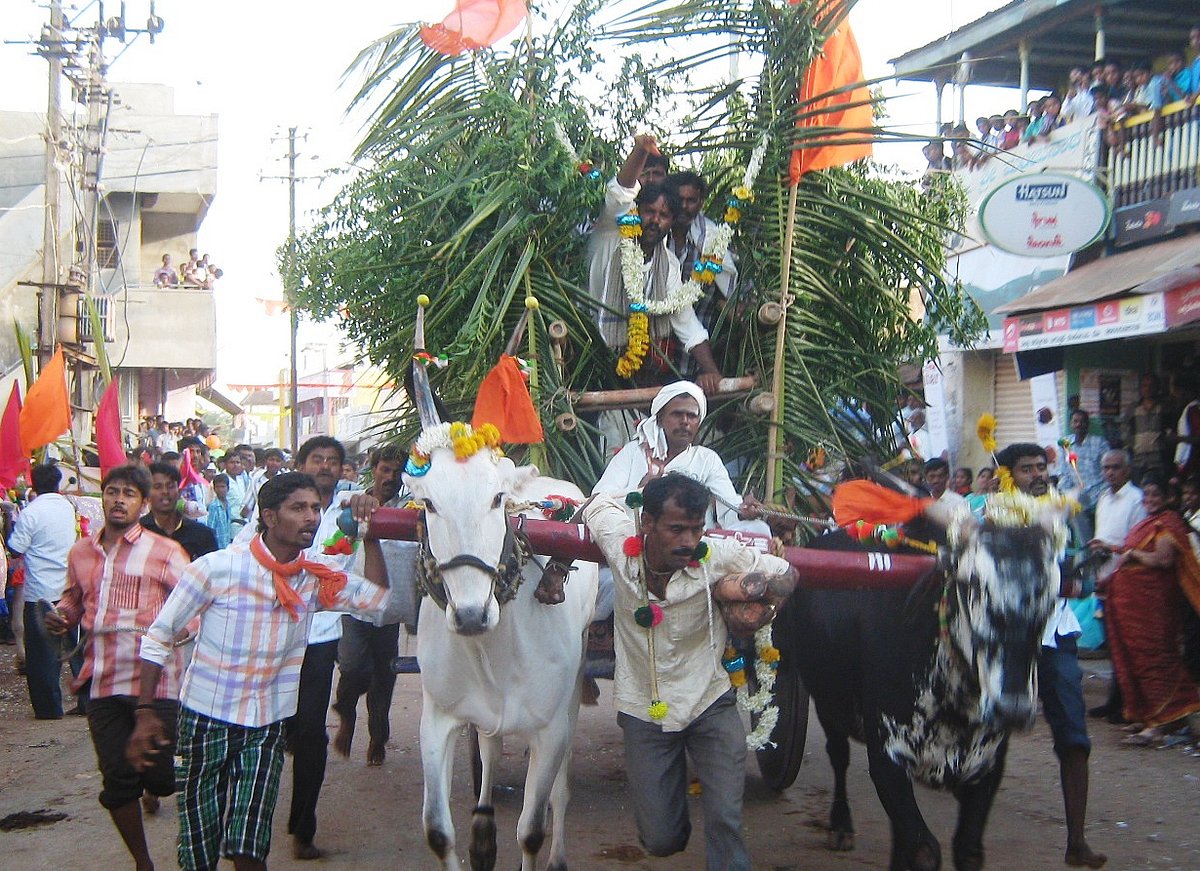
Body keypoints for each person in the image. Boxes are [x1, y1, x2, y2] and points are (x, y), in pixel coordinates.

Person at [127, 472, 390, 871]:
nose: (312, 518)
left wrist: (370, 536)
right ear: (268, 516)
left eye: (316, 508)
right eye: (298, 508)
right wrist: (145, 711)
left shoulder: (312, 578)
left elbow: (376, 601)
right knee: (200, 843)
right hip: (204, 719)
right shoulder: (216, 569)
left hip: (266, 724)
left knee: (251, 843)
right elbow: (158, 637)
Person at [581, 473, 795, 871]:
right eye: (676, 529)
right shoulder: (619, 543)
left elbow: (785, 570)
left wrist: (762, 603)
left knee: (726, 819)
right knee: (661, 839)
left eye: (696, 529)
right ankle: (667, 820)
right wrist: (638, 490)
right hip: (645, 709)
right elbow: (597, 505)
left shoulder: (716, 554)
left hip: (710, 702)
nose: (688, 541)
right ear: (646, 524)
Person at [46, 464, 190, 871]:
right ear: (102, 498)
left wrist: (169, 636)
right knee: (117, 778)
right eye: (112, 491)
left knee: (161, 776)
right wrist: (61, 615)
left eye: (129, 494)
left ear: (143, 504)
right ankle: (143, 861)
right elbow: (74, 600)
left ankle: (156, 787)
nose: (119, 500)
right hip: (103, 678)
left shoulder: (166, 552)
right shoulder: (80, 552)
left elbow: (191, 608)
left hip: (157, 682)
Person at [234, 435, 358, 859]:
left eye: (333, 461)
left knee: (309, 735)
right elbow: (241, 558)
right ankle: (248, 828)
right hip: (267, 641)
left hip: (318, 641)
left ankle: (303, 826)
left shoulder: (351, 512)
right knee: (262, 732)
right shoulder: (272, 510)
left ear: (342, 470)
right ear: (301, 463)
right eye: (317, 459)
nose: (325, 466)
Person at [996, 443, 1106, 869]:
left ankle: (1076, 842)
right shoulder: (996, 516)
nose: (1038, 474)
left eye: (1041, 467)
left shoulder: (1064, 511)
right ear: (1008, 475)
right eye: (1027, 469)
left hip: (1055, 635)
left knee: (1075, 737)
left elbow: (1084, 574)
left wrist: (1082, 580)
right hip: (1008, 634)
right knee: (993, 728)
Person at [587, 134, 723, 393]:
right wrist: (640, 151)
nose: (654, 220)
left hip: (634, 372)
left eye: (663, 215)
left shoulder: (668, 264)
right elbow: (621, 192)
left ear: (671, 222)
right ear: (636, 211)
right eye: (649, 211)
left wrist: (711, 371)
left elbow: (686, 321)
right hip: (589, 355)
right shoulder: (612, 231)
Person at [1102, 474, 1200, 746]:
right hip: (1134, 607)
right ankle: (1152, 718)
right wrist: (1113, 548)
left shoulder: (1168, 523)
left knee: (1155, 659)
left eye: (1155, 496)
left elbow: (1163, 559)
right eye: (1146, 496)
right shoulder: (1147, 522)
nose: (1149, 501)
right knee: (1137, 658)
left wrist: (1132, 555)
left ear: (1169, 498)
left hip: (1154, 608)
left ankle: (1159, 724)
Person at [332, 445, 411, 766]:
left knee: (384, 674)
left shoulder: (410, 508)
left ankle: (379, 735)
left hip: (388, 609)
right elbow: (338, 516)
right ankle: (346, 712)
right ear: (373, 469)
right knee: (352, 667)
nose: (390, 477)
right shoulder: (350, 500)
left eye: (396, 472)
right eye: (384, 470)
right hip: (354, 604)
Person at [8, 463, 83, 719]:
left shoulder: (32, 512)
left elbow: (16, 548)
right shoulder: (67, 507)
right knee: (76, 648)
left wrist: (9, 518)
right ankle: (86, 702)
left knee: (42, 655)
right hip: (69, 588)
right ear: (58, 482)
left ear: (33, 483)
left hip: (40, 592)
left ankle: (49, 709)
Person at [663, 171, 738, 348]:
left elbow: (730, 290)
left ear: (701, 202)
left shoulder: (713, 240)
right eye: (678, 199)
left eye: (691, 201)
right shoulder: (656, 238)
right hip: (655, 351)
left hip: (700, 353)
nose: (683, 206)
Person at [140, 462, 218, 562]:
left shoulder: (202, 534)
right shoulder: (138, 532)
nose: (165, 492)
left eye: (170, 486)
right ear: (147, 493)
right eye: (157, 487)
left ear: (179, 491)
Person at [1058, 409, 1110, 540]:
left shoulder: (1099, 442)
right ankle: (1085, 547)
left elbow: (1109, 470)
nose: (1079, 424)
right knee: (1069, 505)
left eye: (1082, 421)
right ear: (1071, 424)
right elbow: (1063, 473)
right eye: (1075, 421)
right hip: (1078, 493)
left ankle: (1088, 548)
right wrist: (1065, 493)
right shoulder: (1066, 444)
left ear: (1087, 424)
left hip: (1099, 491)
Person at [1121, 373, 1166, 483]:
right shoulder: (1133, 408)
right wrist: (1131, 448)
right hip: (1138, 461)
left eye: (1152, 385)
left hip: (1160, 461)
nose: (1148, 389)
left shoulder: (1165, 407)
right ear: (1140, 388)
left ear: (1157, 387)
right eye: (1145, 385)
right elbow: (1125, 432)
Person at [206, 474, 234, 549]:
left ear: (228, 488)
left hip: (226, 545)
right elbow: (210, 529)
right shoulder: (214, 506)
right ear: (214, 489)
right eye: (217, 487)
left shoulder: (228, 504)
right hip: (217, 547)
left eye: (223, 487)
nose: (220, 490)